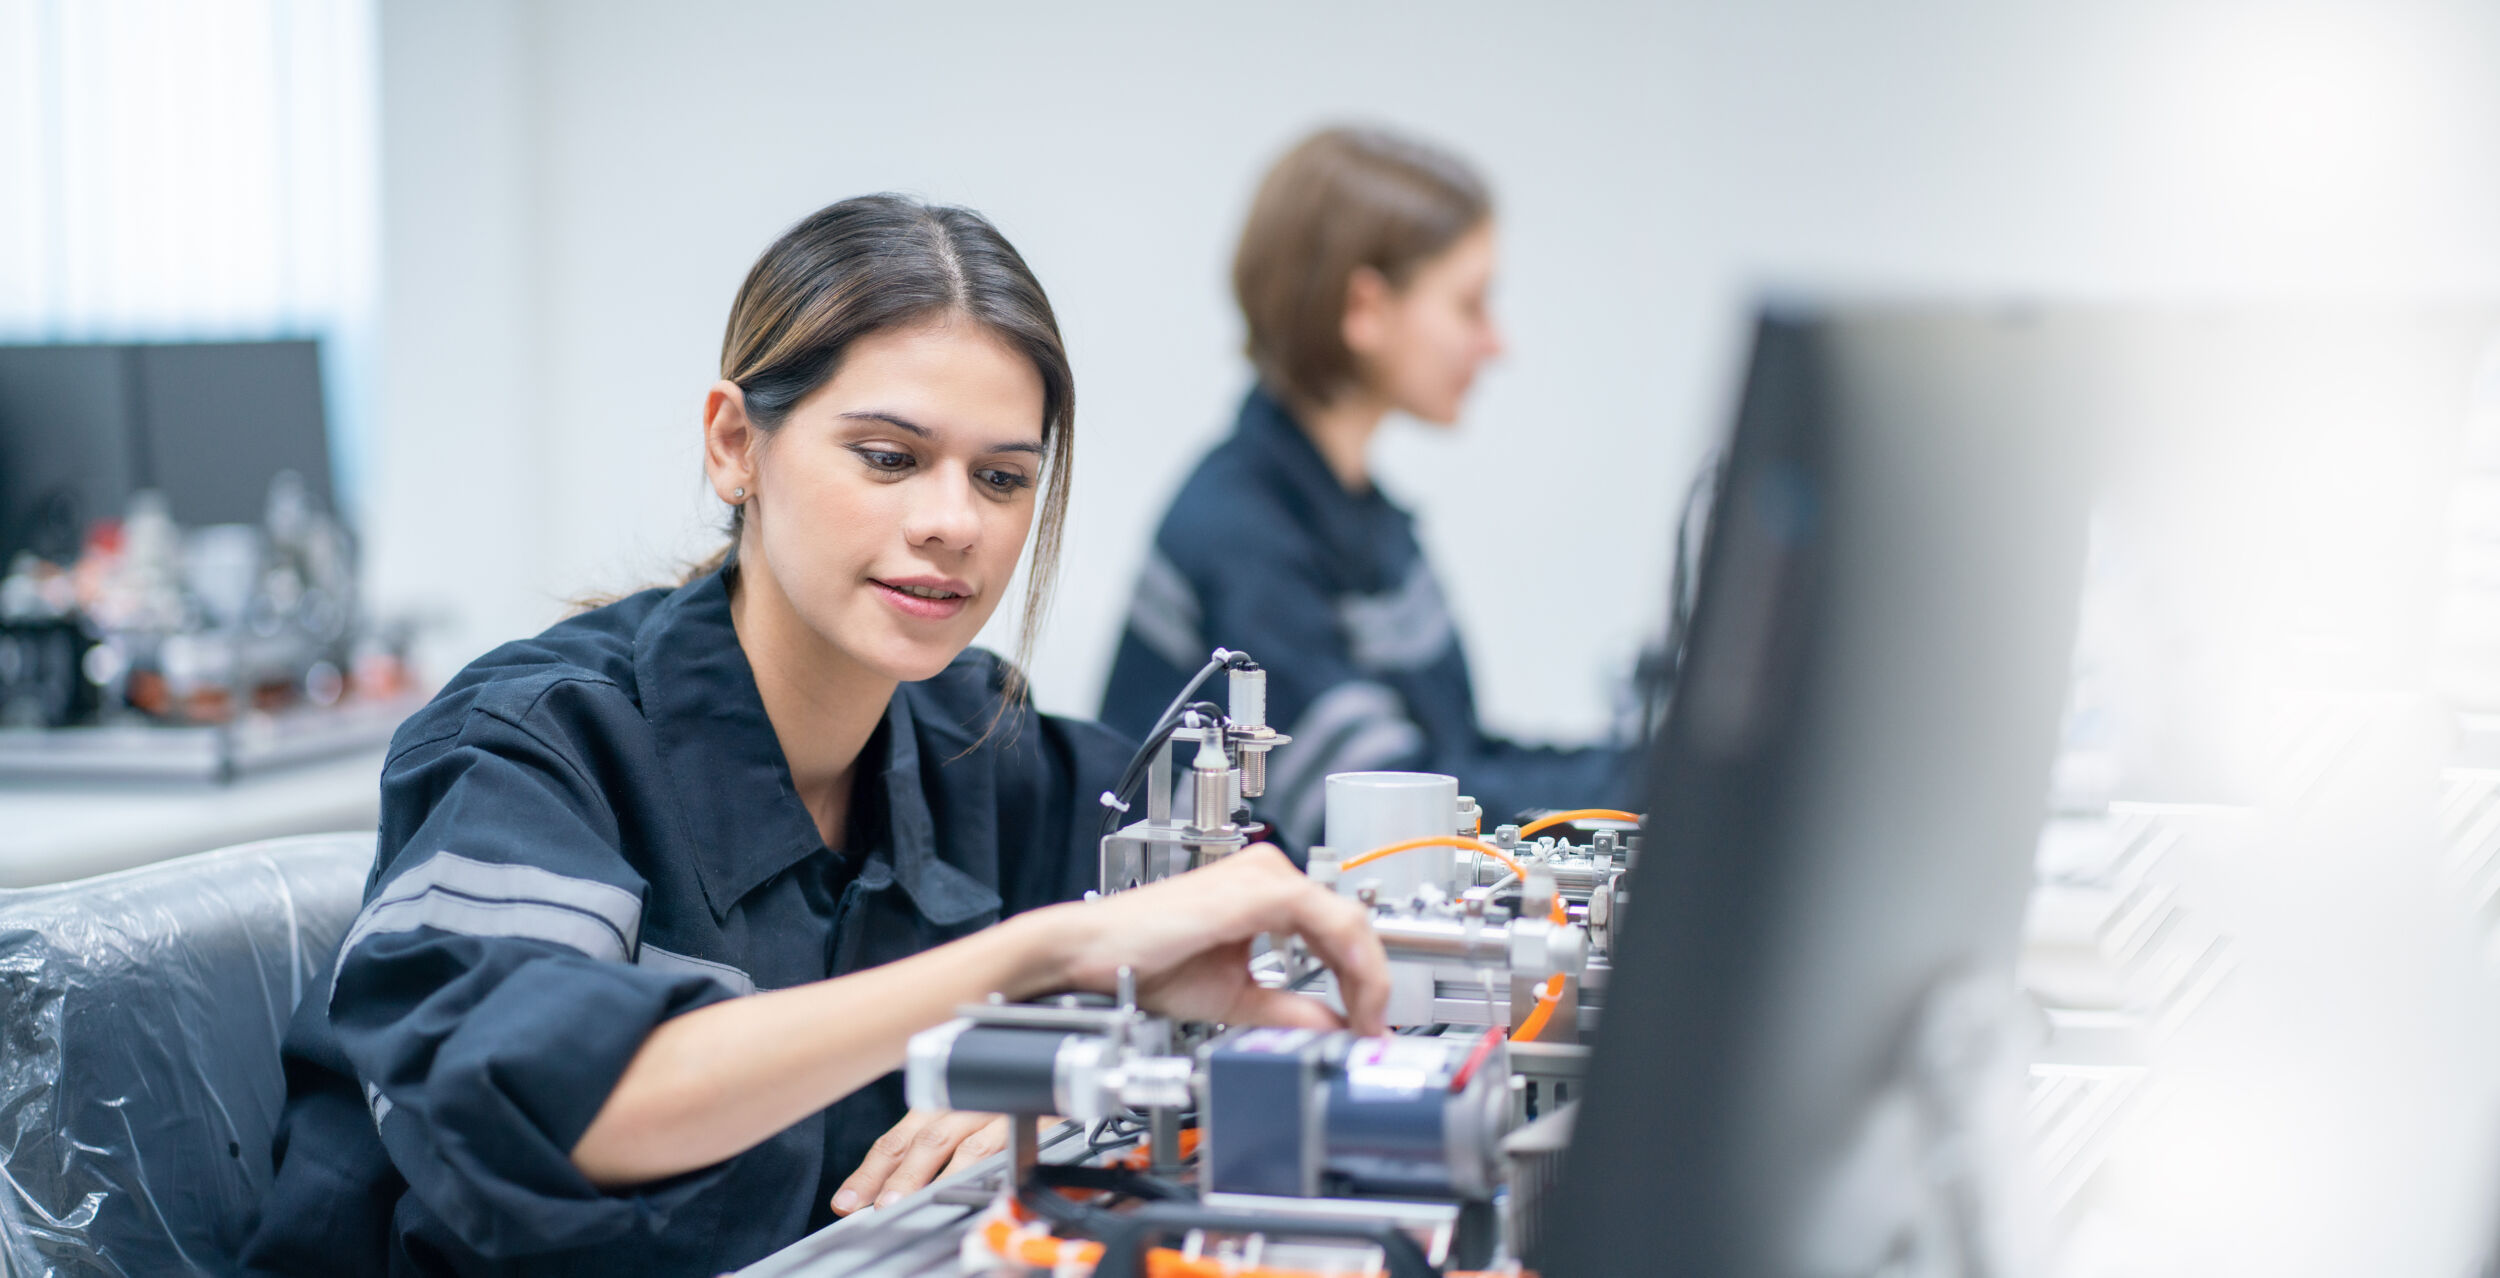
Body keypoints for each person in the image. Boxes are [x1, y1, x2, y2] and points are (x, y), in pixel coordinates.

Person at [243, 195, 1389, 1276]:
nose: (951, 524)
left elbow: (1251, 900)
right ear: (735, 444)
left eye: (1000, 478)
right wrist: (1026, 967)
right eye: (888, 458)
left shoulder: (968, 739)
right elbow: (534, 1096)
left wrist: (1041, 1068)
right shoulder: (540, 742)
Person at [1100, 127, 1634, 853]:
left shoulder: (1368, 520)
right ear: (1365, 308)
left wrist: (1647, 772)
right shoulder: (1239, 529)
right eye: (1469, 305)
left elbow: (1457, 761)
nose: (1495, 343)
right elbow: (1377, 816)